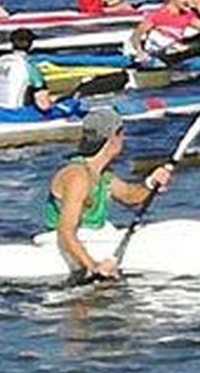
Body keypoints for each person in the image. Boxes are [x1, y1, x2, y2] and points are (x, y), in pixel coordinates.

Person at [46, 107, 171, 280]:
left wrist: (151, 183)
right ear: (113, 138)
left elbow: (130, 196)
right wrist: (93, 267)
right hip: (69, 245)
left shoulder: (102, 175)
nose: (124, 139)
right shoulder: (77, 177)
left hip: (93, 237)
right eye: (122, 134)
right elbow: (66, 231)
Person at [0, 28, 53, 114]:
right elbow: (44, 105)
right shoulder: (29, 67)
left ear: (12, 44)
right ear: (31, 45)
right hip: (16, 114)